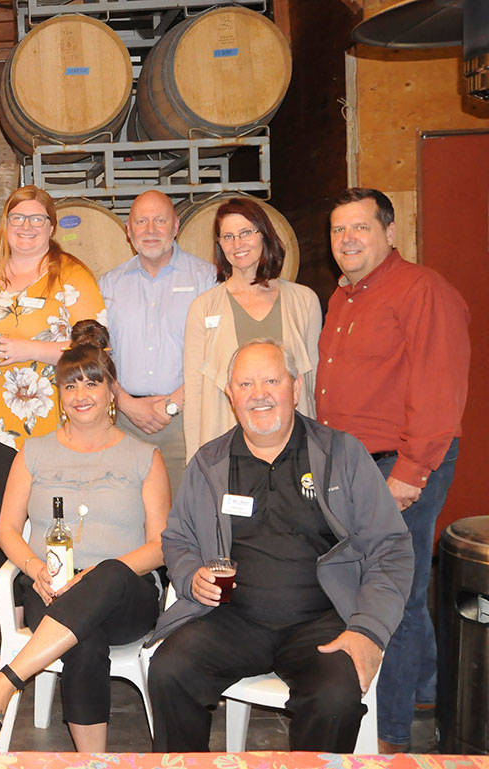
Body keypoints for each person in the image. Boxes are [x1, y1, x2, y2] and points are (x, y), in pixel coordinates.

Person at [147, 340, 414, 753]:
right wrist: (189, 575)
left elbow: (390, 548)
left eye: (272, 380)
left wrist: (368, 632)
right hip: (232, 619)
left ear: (295, 384)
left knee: (334, 696)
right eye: (246, 384)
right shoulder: (209, 462)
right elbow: (178, 537)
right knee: (170, 671)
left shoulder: (341, 454)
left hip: (321, 620)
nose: (259, 394)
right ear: (231, 395)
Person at [317, 188, 470, 753]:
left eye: (360, 227)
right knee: (394, 583)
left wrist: (408, 475)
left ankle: (390, 738)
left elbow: (439, 391)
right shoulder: (345, 297)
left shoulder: (423, 290)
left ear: (388, 231)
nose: (348, 239)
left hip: (400, 463)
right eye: (338, 231)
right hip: (356, 464)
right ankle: (426, 686)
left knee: (392, 594)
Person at [0, 320, 169, 750]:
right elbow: (7, 530)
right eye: (71, 386)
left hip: (128, 597)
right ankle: (91, 759)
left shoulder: (144, 457)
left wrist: (95, 577)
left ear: (111, 391)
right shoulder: (33, 452)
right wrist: (35, 567)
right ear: (59, 395)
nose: (81, 395)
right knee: (84, 636)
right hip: (49, 590)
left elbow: (160, 546)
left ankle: (6, 681)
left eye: (92, 384)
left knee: (109, 574)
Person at [0, 186, 106, 515]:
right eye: (18, 218)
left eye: (37, 218)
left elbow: (95, 348)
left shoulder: (72, 277)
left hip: (56, 423)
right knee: (9, 522)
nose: (27, 226)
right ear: (6, 225)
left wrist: (30, 349)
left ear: (51, 227)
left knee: (55, 521)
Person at [183, 197, 321, 458]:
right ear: (220, 245)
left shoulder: (304, 301)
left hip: (294, 450)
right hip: (229, 450)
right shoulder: (203, 308)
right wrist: (196, 462)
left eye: (246, 232)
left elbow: (313, 387)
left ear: (264, 235)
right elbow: (195, 395)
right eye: (228, 237)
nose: (238, 244)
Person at [100, 190, 215, 494]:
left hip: (185, 422)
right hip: (124, 421)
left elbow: (216, 351)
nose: (150, 231)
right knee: (129, 519)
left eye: (160, 221)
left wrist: (174, 404)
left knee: (184, 516)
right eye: (141, 221)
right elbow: (98, 355)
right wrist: (124, 402)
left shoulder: (206, 279)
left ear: (176, 226)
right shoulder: (109, 285)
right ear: (128, 230)